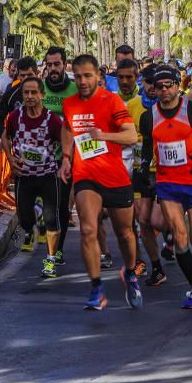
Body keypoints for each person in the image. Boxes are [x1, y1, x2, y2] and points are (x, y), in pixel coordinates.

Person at [60, 54, 142, 311]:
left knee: (125, 234)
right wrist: (66, 157)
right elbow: (67, 129)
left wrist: (102, 135)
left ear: (98, 76)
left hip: (115, 176)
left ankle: (130, 272)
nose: (82, 81)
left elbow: (130, 136)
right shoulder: (70, 104)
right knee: (87, 229)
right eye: (78, 76)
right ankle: (96, 288)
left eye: (87, 76)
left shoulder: (112, 100)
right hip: (86, 175)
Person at [138, 66, 192, 309]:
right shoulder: (149, 116)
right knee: (179, 235)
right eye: (159, 87)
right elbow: (148, 145)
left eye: (168, 86)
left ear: (177, 86)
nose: (164, 91)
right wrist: (143, 164)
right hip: (167, 183)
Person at [3, 76, 65, 277]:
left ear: (42, 95)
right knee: (24, 220)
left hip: (48, 175)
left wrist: (66, 161)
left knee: (51, 219)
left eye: (33, 93)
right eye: (26, 93)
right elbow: (6, 137)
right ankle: (33, 216)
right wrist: (11, 159)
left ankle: (50, 261)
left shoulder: (52, 120)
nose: (29, 97)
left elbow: (66, 140)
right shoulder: (15, 117)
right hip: (25, 176)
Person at [126, 63, 166, 286]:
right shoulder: (131, 106)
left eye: (157, 83)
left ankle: (170, 235)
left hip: (164, 172)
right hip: (140, 171)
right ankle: (157, 266)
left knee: (157, 220)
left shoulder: (168, 107)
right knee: (143, 220)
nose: (153, 87)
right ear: (142, 82)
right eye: (149, 82)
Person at [42, 46, 78, 265]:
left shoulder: (75, 90)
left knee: (62, 205)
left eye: (57, 64)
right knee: (46, 206)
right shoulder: (39, 89)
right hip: (41, 158)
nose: (53, 69)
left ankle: (58, 248)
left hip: (65, 157)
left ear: (65, 64)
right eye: (49, 64)